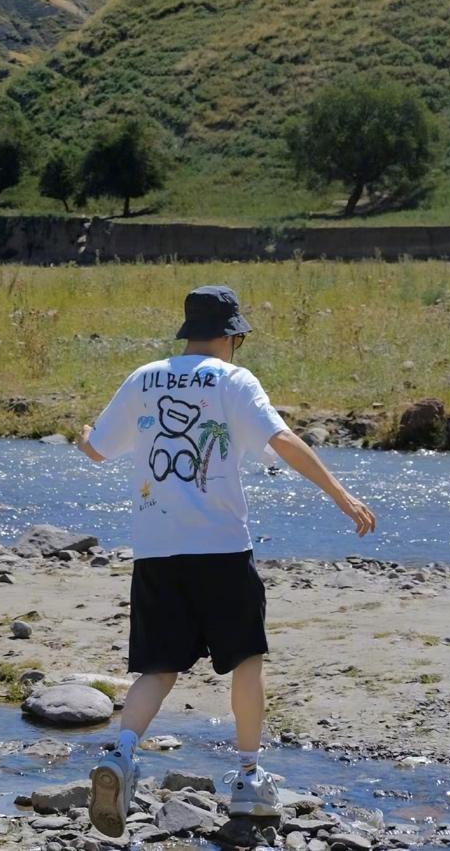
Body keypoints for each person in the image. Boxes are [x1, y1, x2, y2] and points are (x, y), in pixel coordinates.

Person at [78, 284, 376, 838]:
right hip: (219, 548)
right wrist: (340, 494)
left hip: (156, 550)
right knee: (246, 659)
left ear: (187, 332)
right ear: (232, 336)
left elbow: (97, 448)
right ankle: (247, 777)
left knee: (159, 666)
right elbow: (282, 441)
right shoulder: (234, 380)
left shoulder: (144, 377)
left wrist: (82, 437)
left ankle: (119, 755)